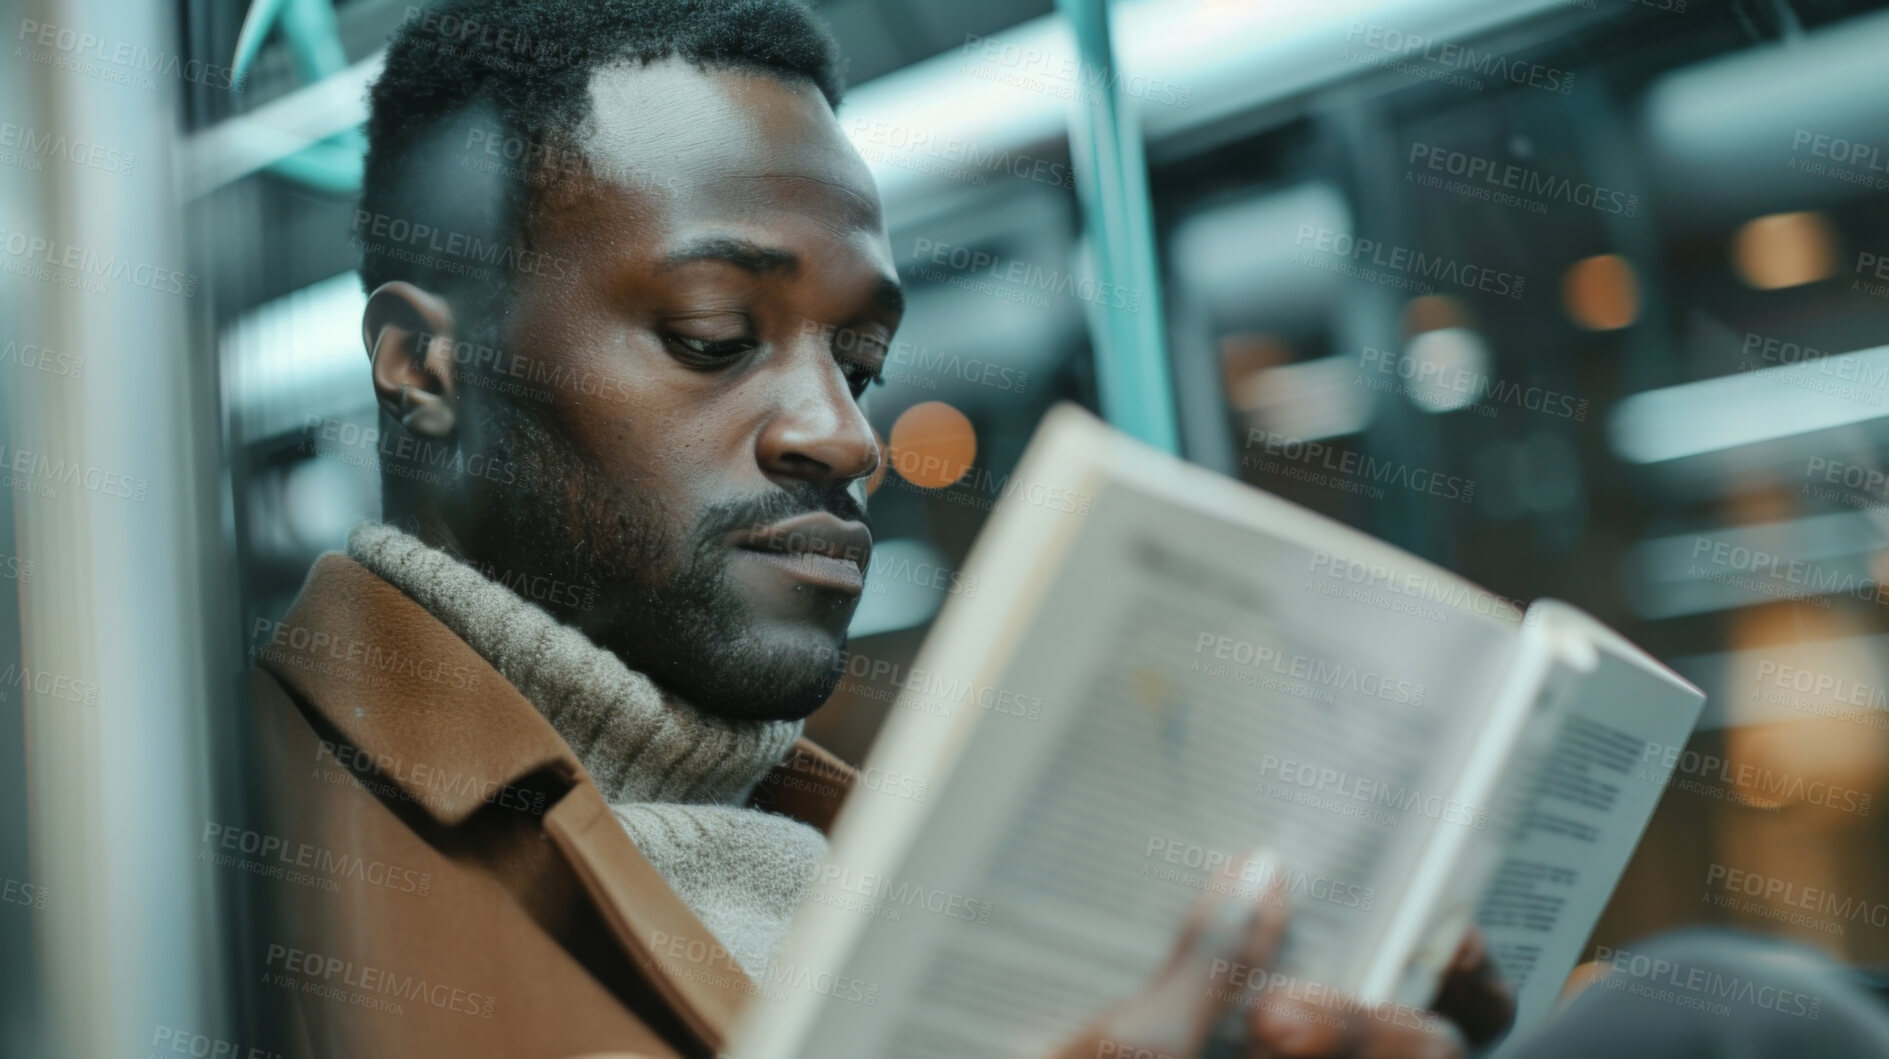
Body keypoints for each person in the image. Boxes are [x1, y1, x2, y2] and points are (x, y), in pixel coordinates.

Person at [241, 0, 1511, 1055]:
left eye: (862, 361)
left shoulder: (927, 867)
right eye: (713, 339)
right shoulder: (229, 860)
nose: (844, 435)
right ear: (421, 368)